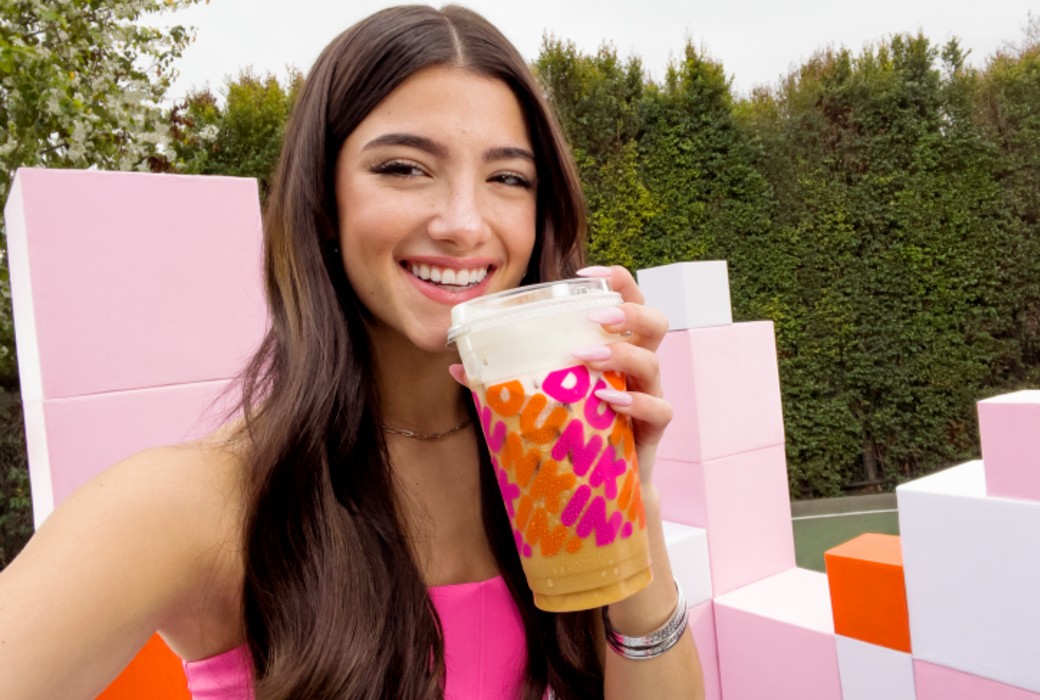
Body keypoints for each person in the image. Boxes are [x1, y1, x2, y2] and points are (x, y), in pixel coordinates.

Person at [0, 5, 703, 699]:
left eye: (508, 178)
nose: (462, 223)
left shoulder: (544, 470)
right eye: (403, 168)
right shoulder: (199, 506)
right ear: (324, 203)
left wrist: (629, 511)